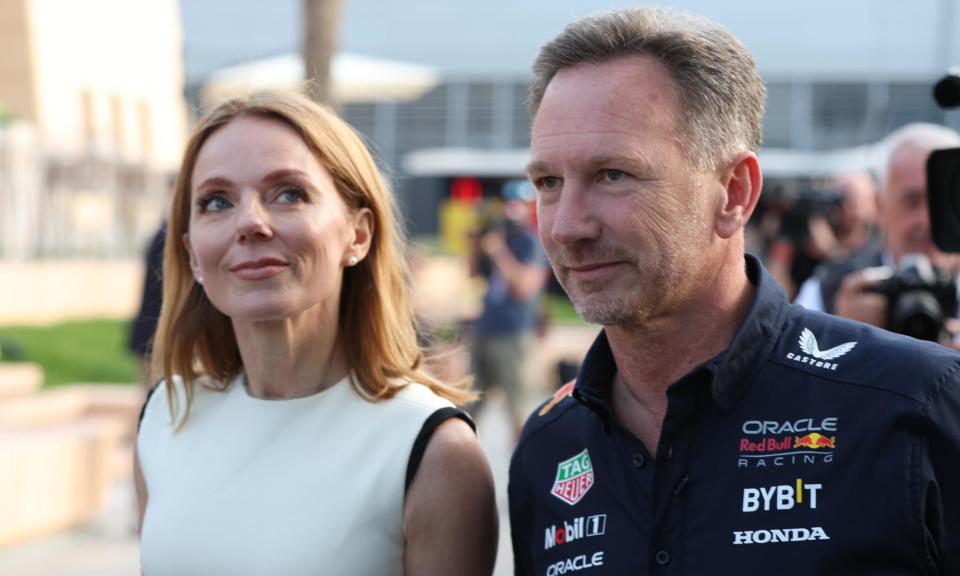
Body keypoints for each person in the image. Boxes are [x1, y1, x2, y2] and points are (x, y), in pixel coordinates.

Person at [508, 8, 960, 574]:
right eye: (549, 183)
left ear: (734, 192)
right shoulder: (548, 446)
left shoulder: (916, 404)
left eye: (613, 174)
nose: (568, 225)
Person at [134, 91, 498, 576]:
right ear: (193, 254)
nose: (250, 223)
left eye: (288, 193)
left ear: (359, 234)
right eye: (216, 201)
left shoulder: (433, 451)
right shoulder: (165, 418)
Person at [794, 124, 960, 328]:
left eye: (944, 201)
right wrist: (844, 337)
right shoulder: (829, 288)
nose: (927, 220)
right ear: (880, 206)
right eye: (911, 201)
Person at [468, 182, 549, 433]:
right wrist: (474, 243)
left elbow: (524, 287)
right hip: (485, 329)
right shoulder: (499, 235)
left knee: (518, 409)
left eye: (518, 204)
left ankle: (525, 466)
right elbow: (472, 275)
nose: (512, 210)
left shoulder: (529, 242)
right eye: (509, 203)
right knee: (470, 404)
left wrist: (498, 251)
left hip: (514, 333)